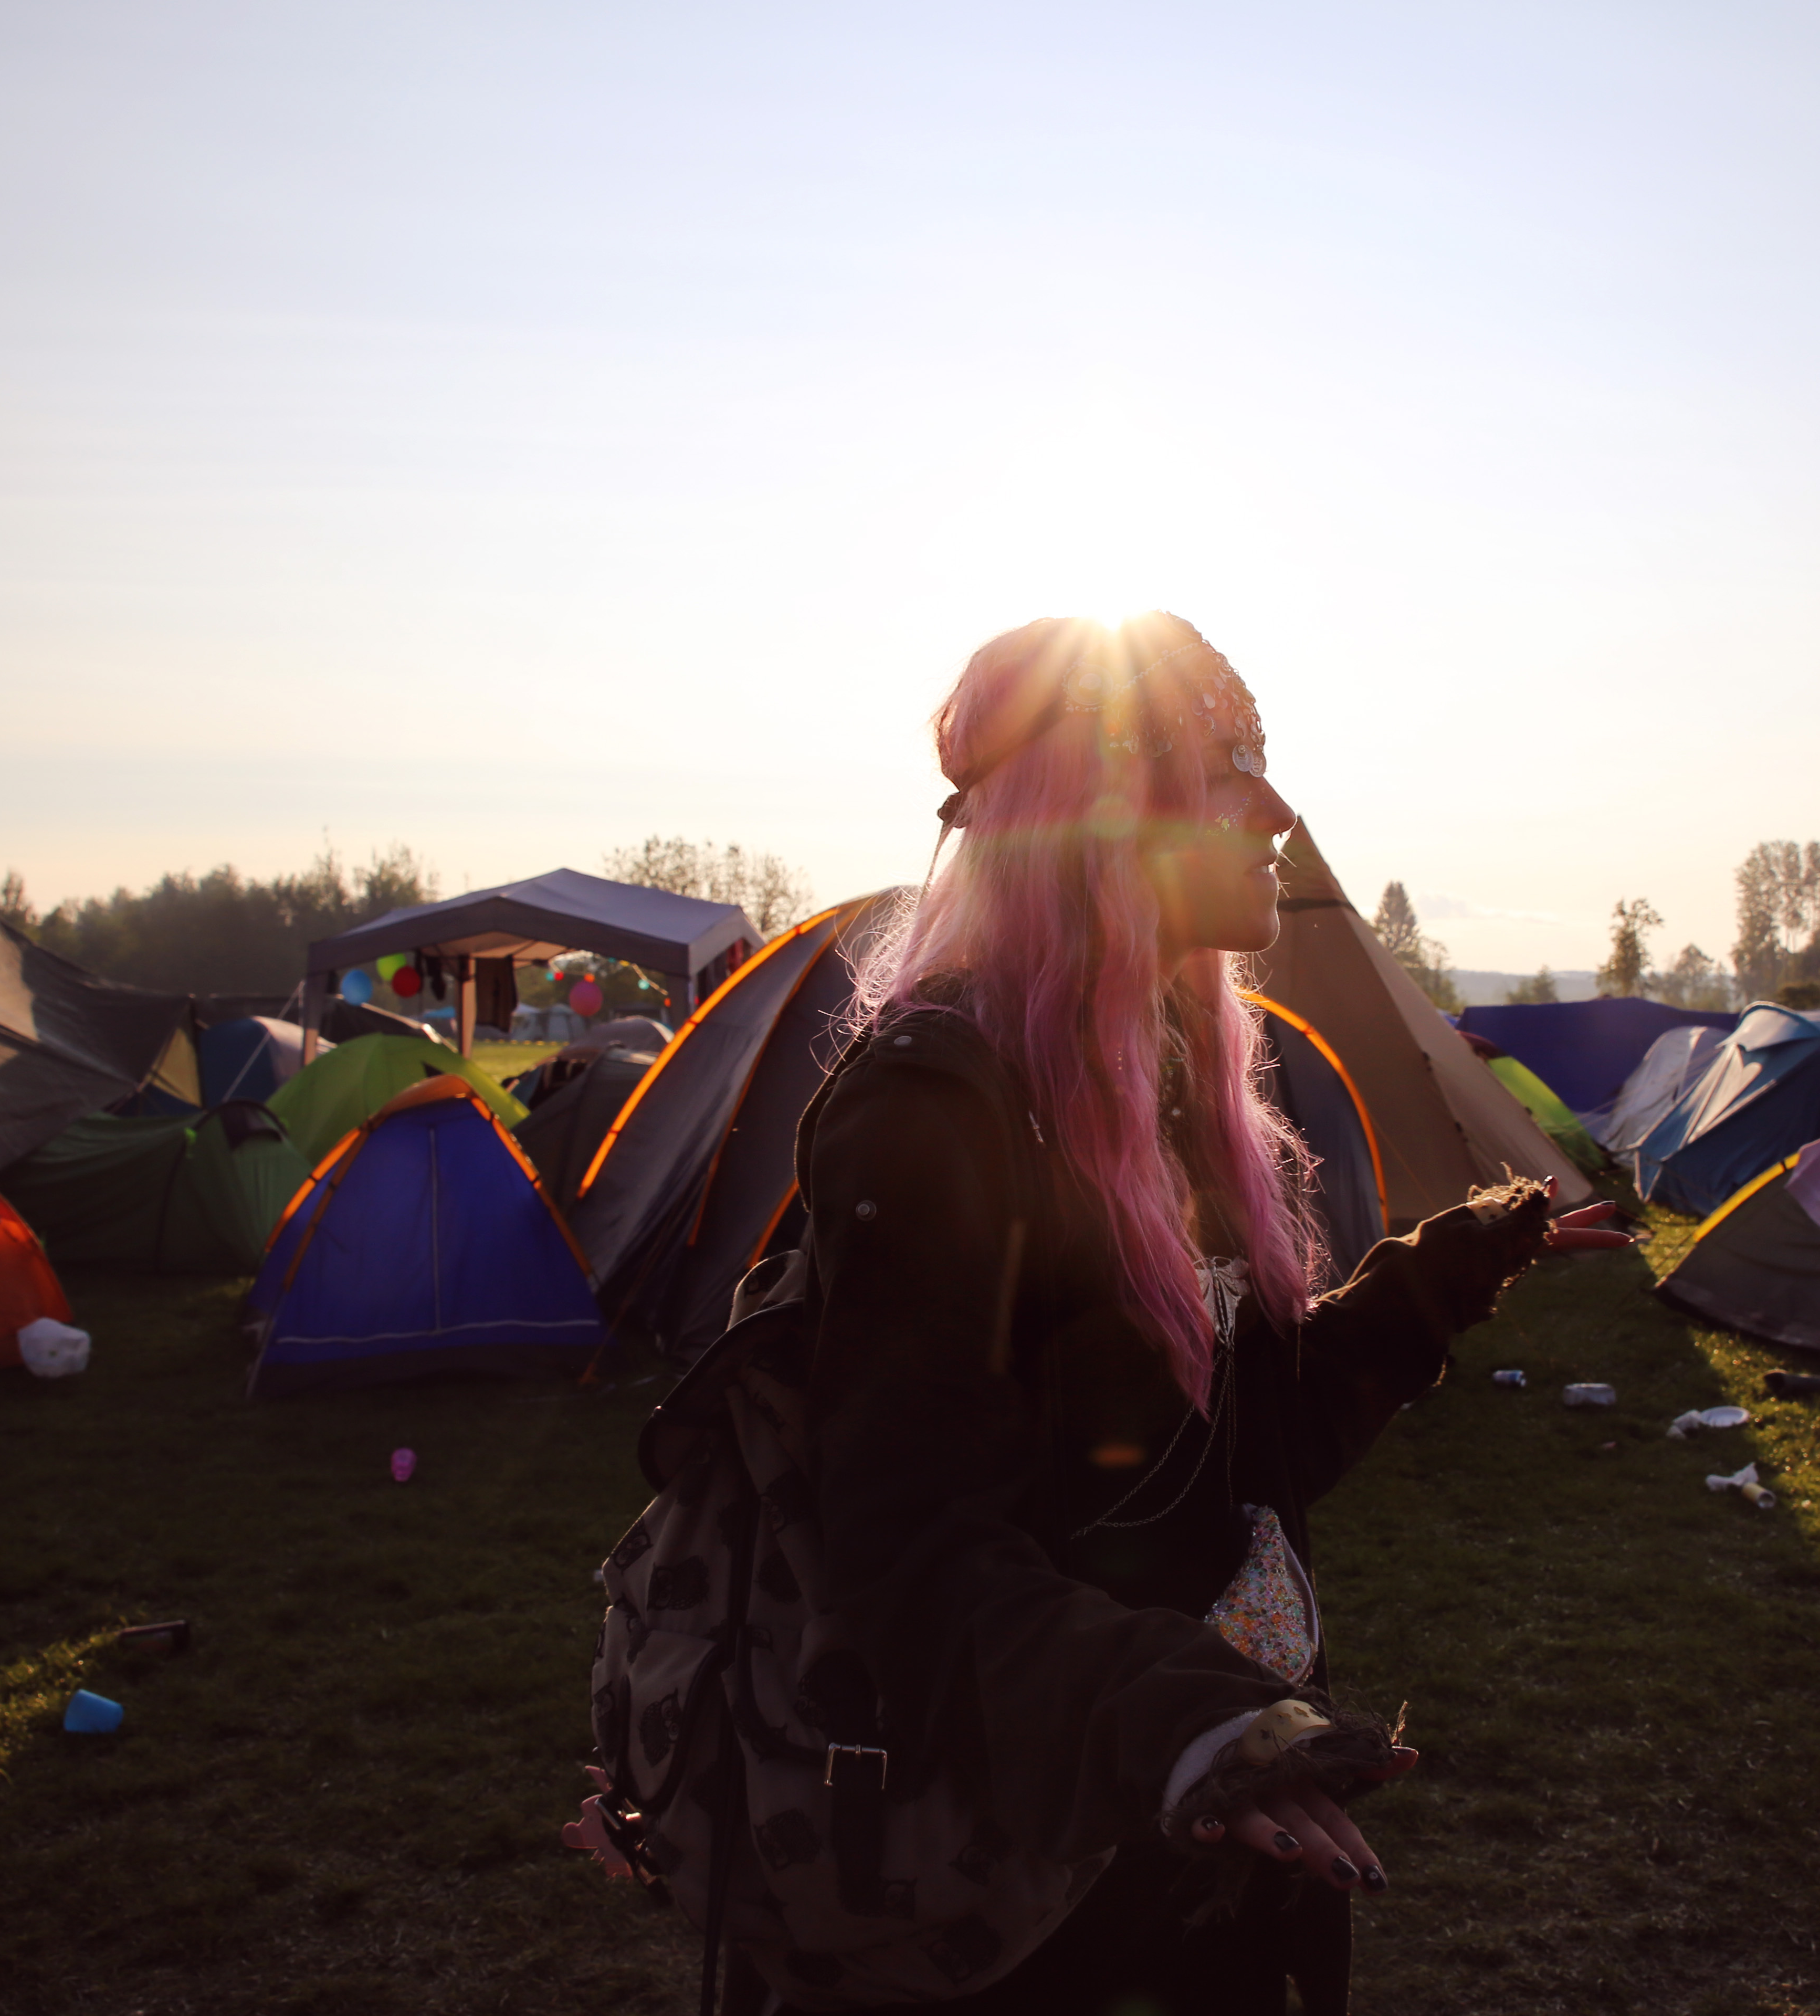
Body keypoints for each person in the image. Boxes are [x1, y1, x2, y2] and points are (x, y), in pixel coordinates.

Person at [586, 613, 1623, 2013]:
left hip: (1203, 1841)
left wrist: (1443, 1277)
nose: (1278, 810)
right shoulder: (936, 1108)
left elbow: (1225, 1462)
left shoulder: (1164, 1077)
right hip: (1025, 1897)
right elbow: (914, 1552)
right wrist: (1184, 1726)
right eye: (1229, 766)